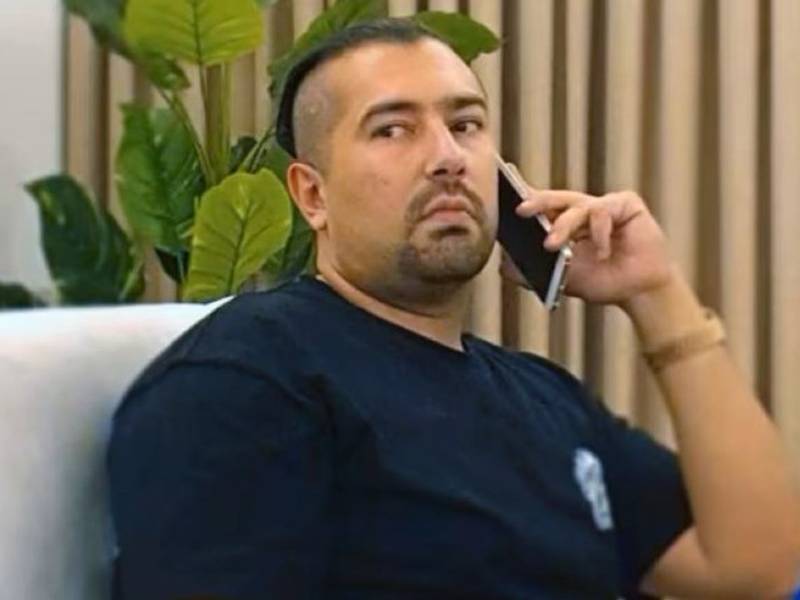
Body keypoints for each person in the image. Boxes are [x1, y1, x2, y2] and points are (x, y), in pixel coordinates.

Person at [107, 18, 800, 600]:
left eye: (465, 124)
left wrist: (654, 292)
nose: (447, 156)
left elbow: (756, 568)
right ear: (312, 195)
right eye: (392, 130)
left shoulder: (544, 398)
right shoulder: (246, 378)